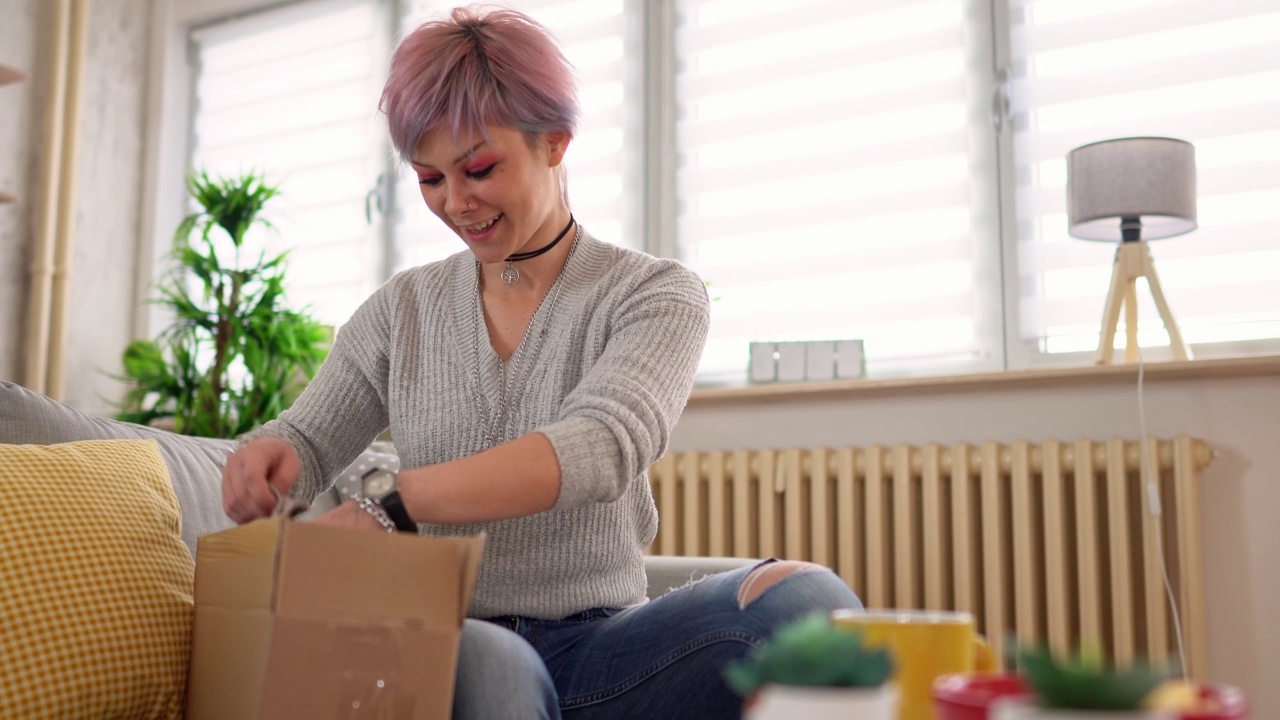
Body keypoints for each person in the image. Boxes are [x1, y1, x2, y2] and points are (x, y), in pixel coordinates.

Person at [220, 5, 863, 719]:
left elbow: (599, 446)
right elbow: (306, 440)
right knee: (494, 659)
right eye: (430, 179)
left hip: (602, 652)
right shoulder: (399, 311)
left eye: (479, 168)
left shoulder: (653, 292)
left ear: (555, 141)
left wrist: (392, 506)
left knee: (814, 605)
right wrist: (267, 456)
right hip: (449, 643)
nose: (456, 203)